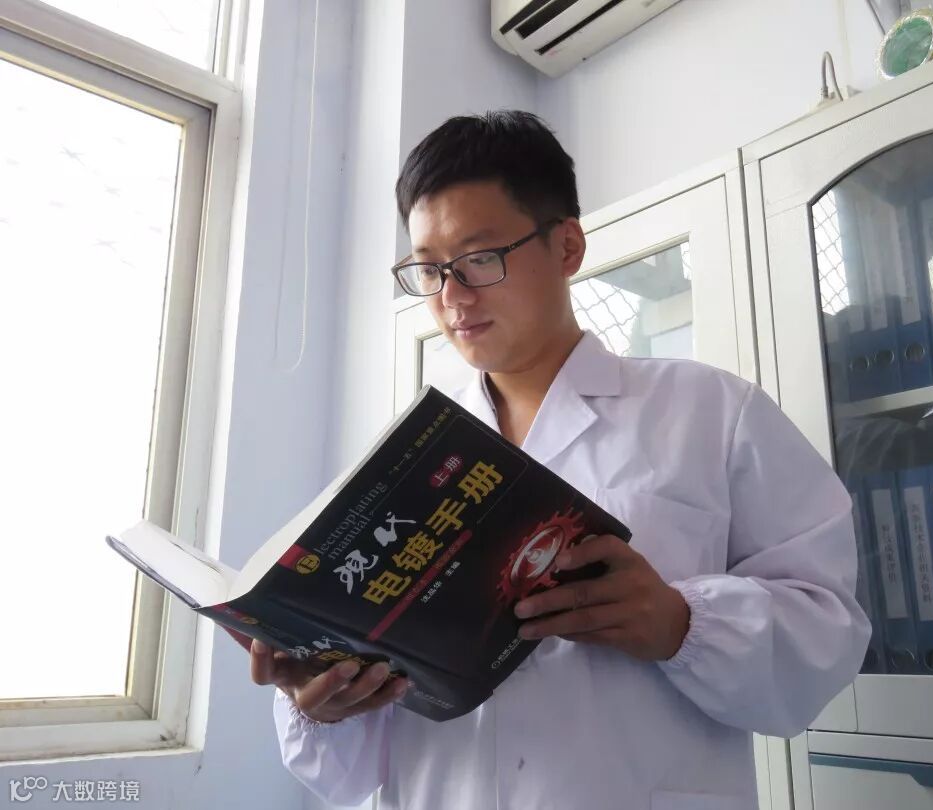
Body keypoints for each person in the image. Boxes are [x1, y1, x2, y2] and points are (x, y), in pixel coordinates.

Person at [253, 110, 871, 810]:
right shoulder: (403, 465)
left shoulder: (711, 413)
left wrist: (679, 624)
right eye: (429, 269)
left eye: (480, 258)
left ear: (567, 246)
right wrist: (325, 702)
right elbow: (348, 773)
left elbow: (827, 635)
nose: (452, 297)